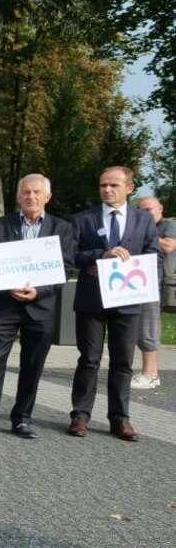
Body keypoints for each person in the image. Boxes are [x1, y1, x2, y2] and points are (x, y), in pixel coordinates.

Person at [0, 175, 76, 441]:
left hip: (41, 306)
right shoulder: (0, 225)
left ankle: (22, 419)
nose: (31, 196)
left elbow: (65, 267)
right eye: (26, 192)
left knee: (33, 364)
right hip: (5, 305)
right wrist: (7, 286)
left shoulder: (61, 228)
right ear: (18, 196)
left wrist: (39, 291)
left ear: (47, 197)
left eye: (37, 192)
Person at [68, 166, 159, 441]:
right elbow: (71, 255)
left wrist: (137, 271)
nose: (107, 190)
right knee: (89, 360)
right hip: (92, 300)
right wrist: (100, 255)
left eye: (114, 185)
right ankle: (80, 416)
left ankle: (120, 419)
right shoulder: (83, 219)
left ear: (129, 188)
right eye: (103, 185)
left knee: (123, 362)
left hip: (128, 300)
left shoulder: (144, 220)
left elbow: (154, 254)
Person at [132, 196, 175, 389]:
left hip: (158, 285)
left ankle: (150, 375)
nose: (145, 214)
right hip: (141, 283)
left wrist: (143, 234)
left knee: (148, 329)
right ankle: (148, 372)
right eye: (141, 211)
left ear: (160, 209)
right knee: (140, 328)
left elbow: (168, 246)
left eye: (149, 210)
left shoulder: (169, 225)